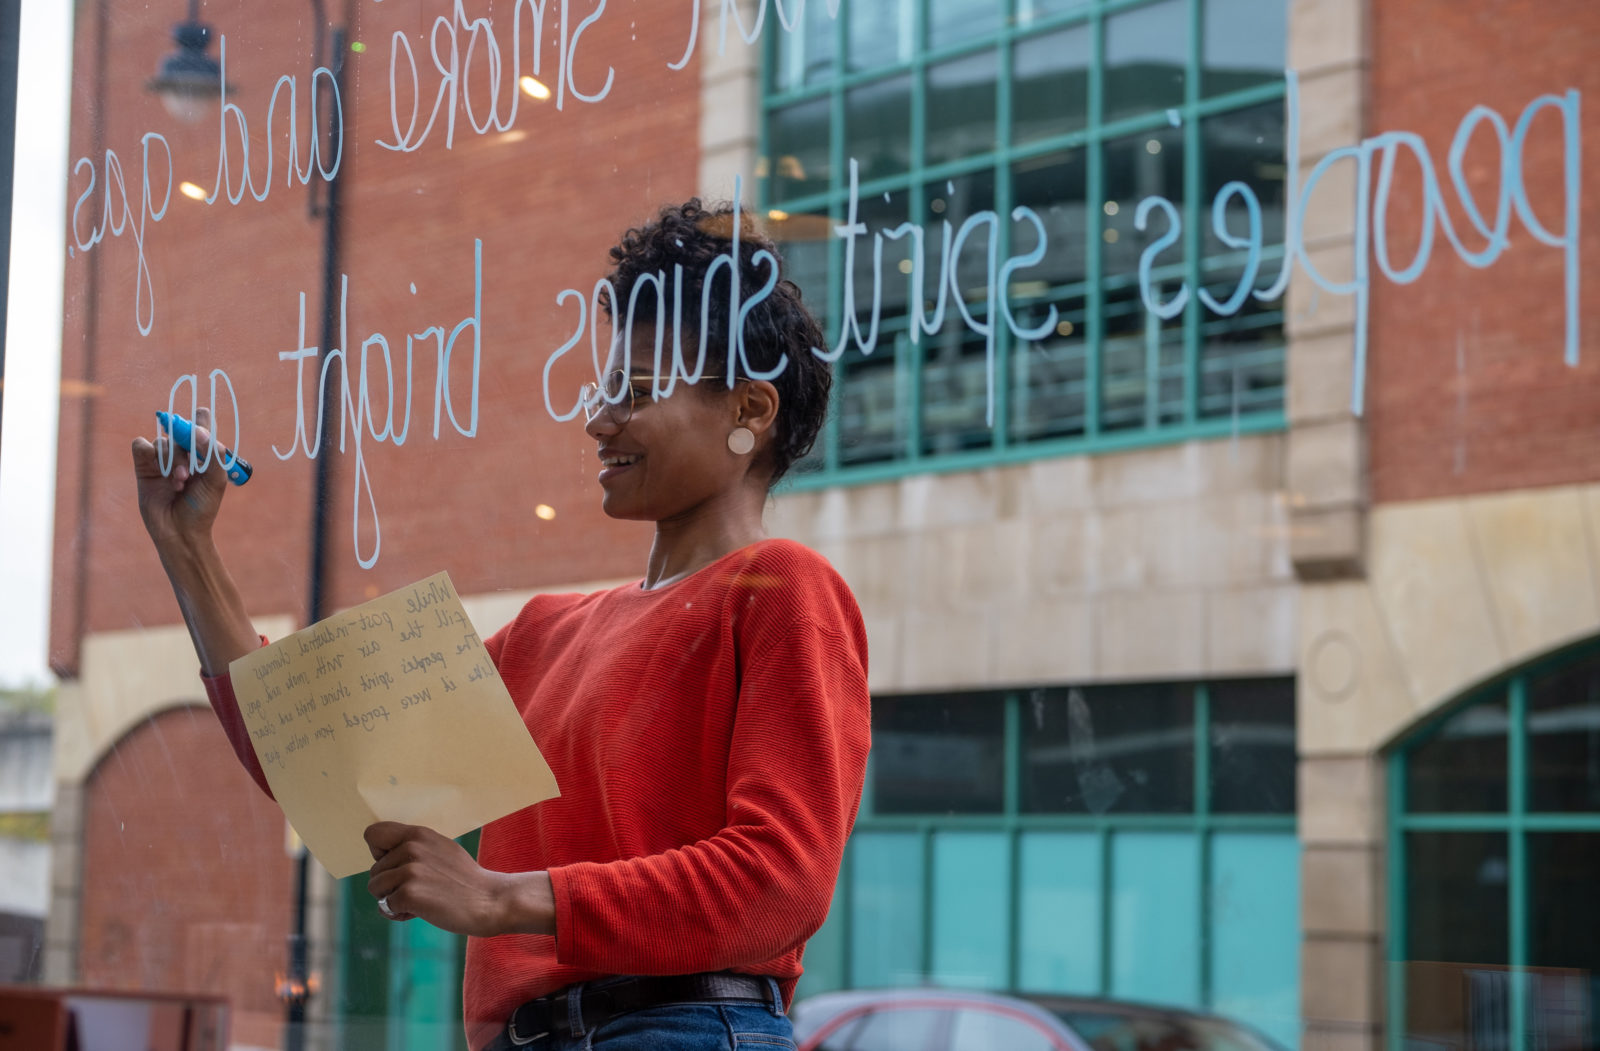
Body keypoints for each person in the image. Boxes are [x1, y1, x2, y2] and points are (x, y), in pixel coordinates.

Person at [131, 199, 872, 1051]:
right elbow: (319, 759)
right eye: (602, 390)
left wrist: (501, 897)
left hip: (684, 1027)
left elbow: (780, 881)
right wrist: (188, 548)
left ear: (750, 411)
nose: (598, 419)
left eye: (632, 392)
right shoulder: (548, 633)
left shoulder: (783, 589)